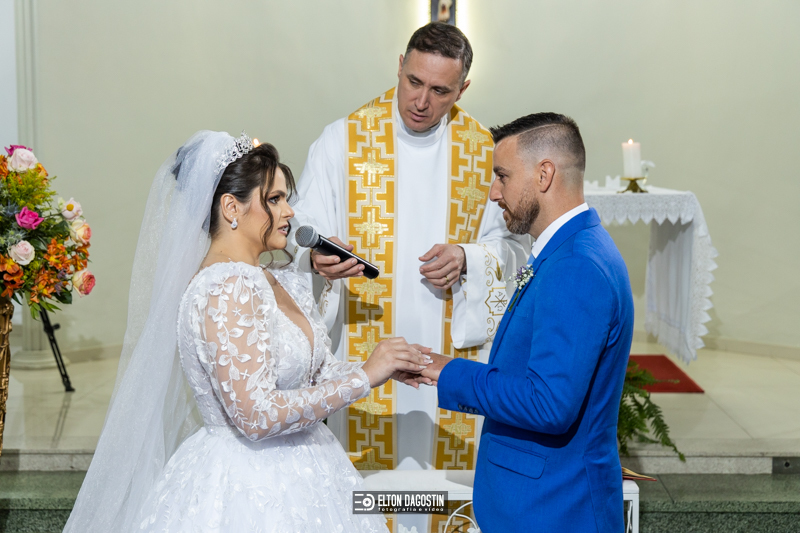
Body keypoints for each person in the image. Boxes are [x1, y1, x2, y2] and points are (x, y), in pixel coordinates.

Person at [64, 131, 432, 532]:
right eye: (274, 199)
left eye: (285, 198)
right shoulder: (225, 287)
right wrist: (364, 378)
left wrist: (381, 365)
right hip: (248, 486)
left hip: (311, 468)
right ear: (231, 208)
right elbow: (255, 416)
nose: (289, 211)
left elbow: (316, 374)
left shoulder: (277, 279)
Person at [288, 25, 529, 529]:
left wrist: (468, 257)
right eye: (413, 81)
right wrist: (316, 258)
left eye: (440, 90)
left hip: (452, 348)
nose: (421, 101)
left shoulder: (484, 151)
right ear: (399, 65)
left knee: (448, 494)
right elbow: (300, 230)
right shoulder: (344, 139)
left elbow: (515, 248)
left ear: (463, 88)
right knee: (370, 495)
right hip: (365, 341)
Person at [421, 113, 634, 532]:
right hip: (542, 502)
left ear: (544, 174)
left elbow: (548, 404)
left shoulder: (575, 264)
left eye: (502, 176)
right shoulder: (571, 248)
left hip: (554, 508)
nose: (493, 193)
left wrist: (450, 373)